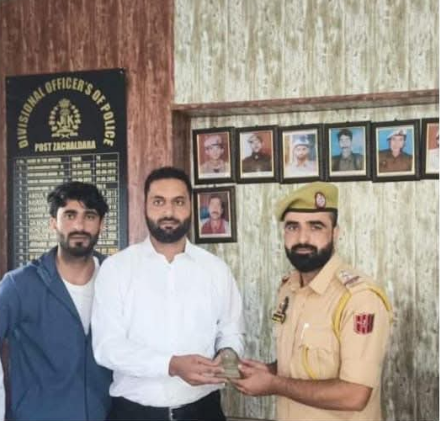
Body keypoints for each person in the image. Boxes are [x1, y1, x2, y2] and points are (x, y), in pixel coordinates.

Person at [91, 166, 244, 421]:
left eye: (179, 202)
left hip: (203, 411)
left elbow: (231, 331)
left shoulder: (215, 269)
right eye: (159, 202)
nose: (169, 212)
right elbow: (107, 347)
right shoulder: (117, 269)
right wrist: (171, 365)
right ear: (145, 206)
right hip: (133, 413)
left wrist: (227, 355)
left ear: (191, 207)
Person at [231, 182, 392, 421]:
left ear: (335, 233)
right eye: (292, 227)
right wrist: (270, 370)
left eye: (316, 227)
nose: (302, 238)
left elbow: (354, 395)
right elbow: (304, 362)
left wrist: (274, 384)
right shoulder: (289, 289)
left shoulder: (358, 299)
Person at [0, 181, 112, 421]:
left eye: (89, 216)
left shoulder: (117, 279)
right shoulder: (19, 285)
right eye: (70, 215)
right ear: (53, 222)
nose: (79, 226)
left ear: (101, 224)